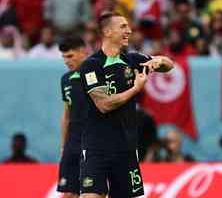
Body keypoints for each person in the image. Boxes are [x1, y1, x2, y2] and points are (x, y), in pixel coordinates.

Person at [79, 11, 173, 198]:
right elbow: (103, 104)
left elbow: (169, 65)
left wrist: (158, 61)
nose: (129, 31)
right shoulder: (92, 65)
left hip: (126, 148)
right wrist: (135, 89)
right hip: (97, 147)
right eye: (123, 27)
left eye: (129, 27)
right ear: (107, 32)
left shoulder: (133, 60)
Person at [56, 36, 88, 198]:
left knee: (94, 192)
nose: (66, 61)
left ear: (83, 52)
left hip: (93, 142)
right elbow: (66, 115)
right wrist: (63, 147)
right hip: (72, 143)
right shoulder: (66, 79)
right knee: (68, 193)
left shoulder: (97, 74)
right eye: (64, 57)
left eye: (70, 56)